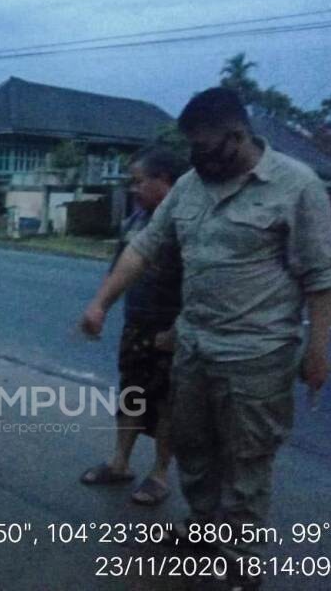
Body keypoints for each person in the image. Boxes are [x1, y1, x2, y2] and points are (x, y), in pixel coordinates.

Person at [80, 87, 331, 590]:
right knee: (192, 447)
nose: (193, 158)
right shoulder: (191, 186)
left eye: (202, 147)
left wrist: (318, 353)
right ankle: (203, 533)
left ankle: (240, 559)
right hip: (193, 345)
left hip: (258, 354)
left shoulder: (297, 185)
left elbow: (322, 276)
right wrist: (101, 301)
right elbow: (145, 246)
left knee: (247, 457)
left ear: (237, 136)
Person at [80, 147, 187, 506]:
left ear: (165, 182)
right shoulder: (135, 222)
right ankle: (119, 462)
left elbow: (203, 285)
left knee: (169, 402)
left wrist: (177, 332)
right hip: (137, 323)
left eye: (140, 181)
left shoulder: (188, 225)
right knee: (131, 393)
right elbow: (117, 270)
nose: (134, 189)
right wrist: (100, 307)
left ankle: (159, 474)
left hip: (174, 329)